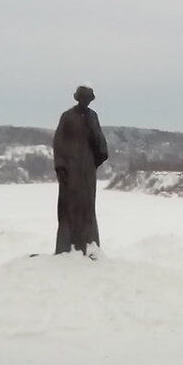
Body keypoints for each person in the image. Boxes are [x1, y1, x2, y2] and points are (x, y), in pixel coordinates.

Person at [53, 84, 109, 255]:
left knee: (87, 209)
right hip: (70, 171)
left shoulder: (93, 117)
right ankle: (67, 247)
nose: (85, 102)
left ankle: (88, 246)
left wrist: (93, 162)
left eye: (88, 99)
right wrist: (61, 166)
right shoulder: (67, 117)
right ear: (78, 98)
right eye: (83, 98)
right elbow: (59, 142)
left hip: (86, 171)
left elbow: (101, 146)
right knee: (69, 209)